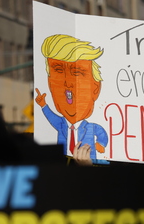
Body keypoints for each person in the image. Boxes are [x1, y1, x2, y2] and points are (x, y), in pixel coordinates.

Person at [35, 34, 108, 163]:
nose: (68, 83)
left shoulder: (91, 127)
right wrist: (43, 105)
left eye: (77, 73)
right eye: (58, 71)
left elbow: (101, 133)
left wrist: (101, 144)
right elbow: (51, 118)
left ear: (96, 87)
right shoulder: (61, 124)